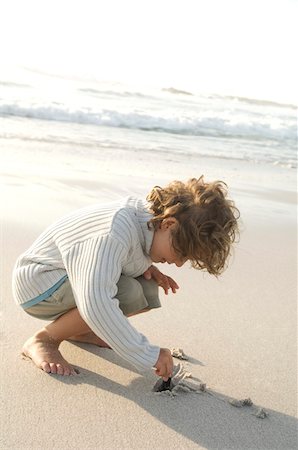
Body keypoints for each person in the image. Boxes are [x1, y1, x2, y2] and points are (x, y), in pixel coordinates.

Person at [12, 176, 239, 380]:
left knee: (147, 289)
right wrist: (148, 354)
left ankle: (79, 331)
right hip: (38, 283)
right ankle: (44, 340)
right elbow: (96, 301)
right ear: (168, 224)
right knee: (125, 293)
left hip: (63, 279)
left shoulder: (145, 222)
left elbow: (125, 256)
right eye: (182, 253)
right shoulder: (114, 231)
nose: (179, 263)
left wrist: (150, 270)